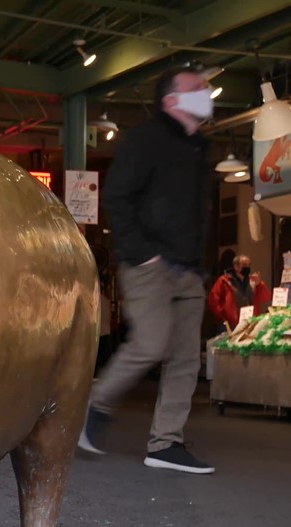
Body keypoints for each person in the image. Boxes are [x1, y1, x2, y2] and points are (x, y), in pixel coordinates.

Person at [78, 67, 216, 474]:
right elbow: (117, 197)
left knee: (187, 359)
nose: (206, 94)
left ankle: (165, 444)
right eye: (197, 89)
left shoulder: (200, 147)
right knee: (152, 344)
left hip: (188, 269)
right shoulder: (145, 139)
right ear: (171, 100)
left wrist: (200, 263)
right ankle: (91, 408)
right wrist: (142, 254)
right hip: (148, 265)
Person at [209, 255, 271, 330]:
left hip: (250, 321)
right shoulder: (223, 281)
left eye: (249, 265)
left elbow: (266, 298)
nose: (247, 267)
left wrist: (259, 284)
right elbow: (213, 300)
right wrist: (223, 317)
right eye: (244, 265)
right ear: (236, 266)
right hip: (230, 324)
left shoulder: (253, 280)